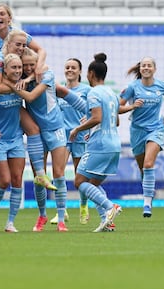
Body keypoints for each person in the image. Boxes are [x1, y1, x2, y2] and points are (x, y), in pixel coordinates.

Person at [0, 4, 48, 200]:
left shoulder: (19, 37)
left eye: (2, 14)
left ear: (10, 18)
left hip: (10, 93)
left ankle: (40, 174)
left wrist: (35, 72)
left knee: (33, 129)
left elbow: (40, 51)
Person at [5, 48, 71, 232]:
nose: (26, 68)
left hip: (56, 128)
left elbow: (32, 96)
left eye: (31, 65)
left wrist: (21, 83)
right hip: (36, 133)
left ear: (37, 64)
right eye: (24, 65)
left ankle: (60, 218)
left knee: (58, 173)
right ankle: (42, 215)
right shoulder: (20, 78)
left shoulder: (47, 75)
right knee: (39, 177)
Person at [69, 53, 122, 233]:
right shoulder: (112, 93)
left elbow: (97, 118)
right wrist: (90, 129)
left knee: (79, 182)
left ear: (90, 73)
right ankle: (107, 221)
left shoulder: (93, 92)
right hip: (114, 144)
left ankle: (109, 207)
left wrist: (78, 129)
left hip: (100, 145)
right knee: (94, 184)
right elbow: (116, 121)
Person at [119, 56, 164, 218]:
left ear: (154, 69)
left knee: (149, 163)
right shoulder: (132, 87)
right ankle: (148, 189)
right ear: (140, 69)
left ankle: (147, 203)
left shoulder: (161, 85)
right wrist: (132, 106)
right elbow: (117, 107)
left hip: (156, 128)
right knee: (142, 168)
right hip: (137, 130)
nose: (146, 68)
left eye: (149, 66)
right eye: (143, 66)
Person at [0, 53, 26, 233]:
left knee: (17, 180)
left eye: (19, 67)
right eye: (13, 67)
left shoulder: (23, 84)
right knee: (5, 180)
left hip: (16, 138)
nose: (17, 71)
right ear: (5, 69)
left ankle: (10, 223)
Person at [50, 58, 91, 225]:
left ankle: (83, 205)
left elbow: (94, 111)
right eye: (67, 67)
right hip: (62, 136)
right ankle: (62, 210)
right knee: (58, 172)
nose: (70, 70)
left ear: (80, 71)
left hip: (81, 136)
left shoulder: (87, 90)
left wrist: (87, 120)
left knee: (79, 176)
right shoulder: (58, 90)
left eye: (73, 67)